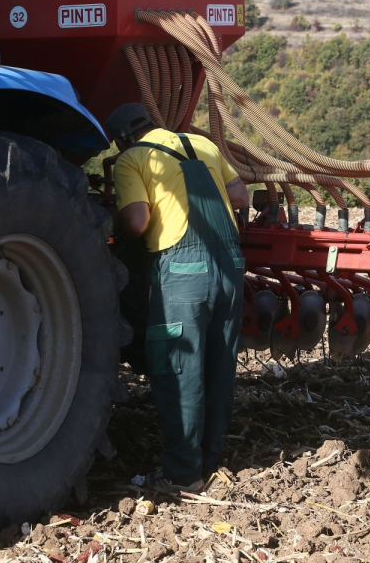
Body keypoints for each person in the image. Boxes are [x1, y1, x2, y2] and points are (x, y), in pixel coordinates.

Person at [106, 103, 250, 492]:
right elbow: (240, 197)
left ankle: (183, 473)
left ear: (121, 140)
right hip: (232, 267)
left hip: (185, 272)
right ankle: (210, 457)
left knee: (180, 371)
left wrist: (109, 219)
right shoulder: (203, 145)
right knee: (219, 366)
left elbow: (138, 222)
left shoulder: (131, 159)